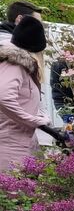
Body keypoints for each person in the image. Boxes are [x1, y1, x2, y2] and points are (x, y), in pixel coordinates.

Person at [0, 16, 50, 171]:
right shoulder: (14, 64)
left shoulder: (20, 66)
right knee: (12, 185)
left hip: (18, 143)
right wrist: (33, 120)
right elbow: (3, 96)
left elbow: (27, 100)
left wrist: (42, 116)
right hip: (9, 145)